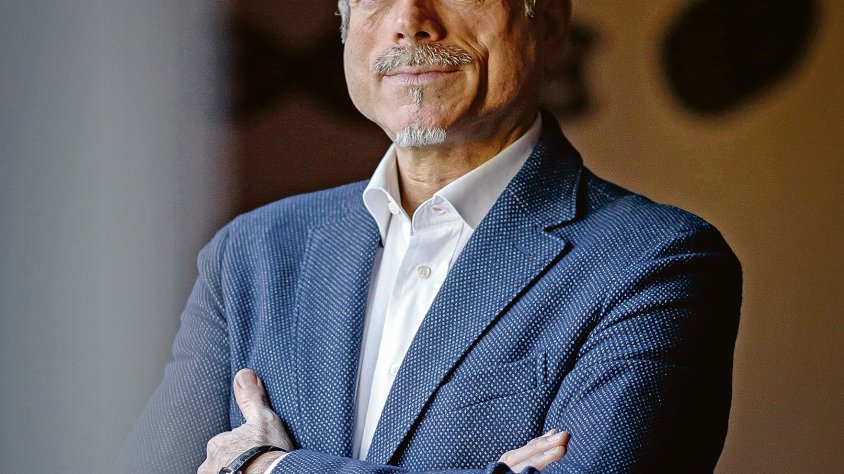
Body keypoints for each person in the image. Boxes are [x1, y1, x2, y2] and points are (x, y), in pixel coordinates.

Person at [121, 0, 742, 472]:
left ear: (549, 23)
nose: (410, 22)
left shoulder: (659, 262)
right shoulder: (251, 253)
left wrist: (267, 467)